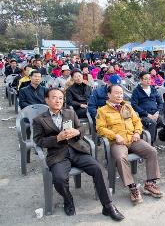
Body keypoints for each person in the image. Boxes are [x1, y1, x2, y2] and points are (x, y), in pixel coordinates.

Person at [33, 88, 124, 220]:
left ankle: (108, 205)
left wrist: (77, 132)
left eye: (60, 98)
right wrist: (56, 138)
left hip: (77, 150)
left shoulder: (69, 112)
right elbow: (38, 141)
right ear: (46, 100)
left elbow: (81, 128)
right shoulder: (39, 120)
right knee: (59, 178)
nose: (58, 100)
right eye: (54, 97)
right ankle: (68, 199)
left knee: (98, 169)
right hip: (58, 154)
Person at [97, 85, 162, 204]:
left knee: (151, 151)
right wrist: (115, 136)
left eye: (121, 93)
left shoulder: (127, 106)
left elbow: (137, 121)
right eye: (116, 93)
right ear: (109, 95)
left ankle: (150, 183)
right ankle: (132, 188)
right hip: (117, 143)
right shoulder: (102, 111)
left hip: (133, 139)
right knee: (121, 157)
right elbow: (100, 128)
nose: (119, 95)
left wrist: (137, 132)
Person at [130, 72, 164, 144]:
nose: (148, 81)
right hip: (144, 115)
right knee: (152, 123)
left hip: (155, 113)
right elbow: (134, 105)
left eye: (149, 79)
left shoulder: (153, 89)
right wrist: (147, 114)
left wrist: (157, 113)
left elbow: (160, 102)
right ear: (141, 80)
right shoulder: (137, 91)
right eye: (146, 79)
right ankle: (151, 144)